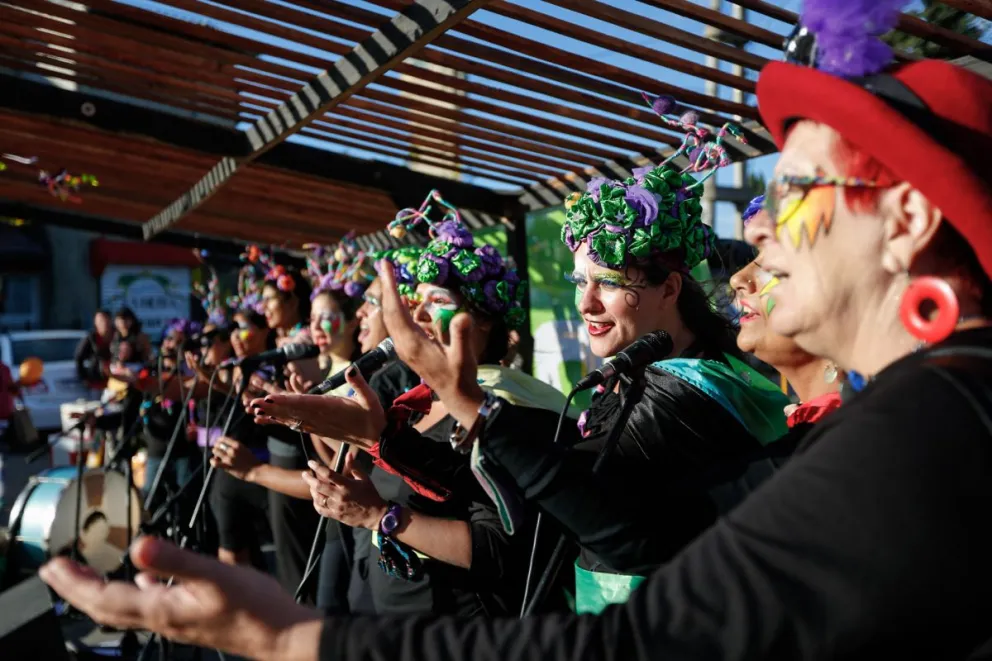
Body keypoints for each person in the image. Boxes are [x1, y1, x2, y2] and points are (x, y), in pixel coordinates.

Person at [41, 6, 992, 659]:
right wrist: (391, 443)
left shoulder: (939, 423)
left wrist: (299, 640)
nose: (751, 228)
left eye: (791, 196)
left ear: (906, 219)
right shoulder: (925, 411)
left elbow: (639, 624)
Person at [254, 199, 571, 618]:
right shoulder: (420, 405)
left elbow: (502, 548)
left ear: (484, 319)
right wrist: (340, 441)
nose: (416, 313)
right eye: (413, 302)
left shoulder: (510, 406)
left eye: (435, 299)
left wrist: (379, 516)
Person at [75, 309, 113, 393]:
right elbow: (79, 358)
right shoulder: (91, 338)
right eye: (99, 321)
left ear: (110, 320)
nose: (103, 323)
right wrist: (84, 378)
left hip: (116, 380)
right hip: (96, 381)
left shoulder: (117, 337)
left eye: (105, 320)